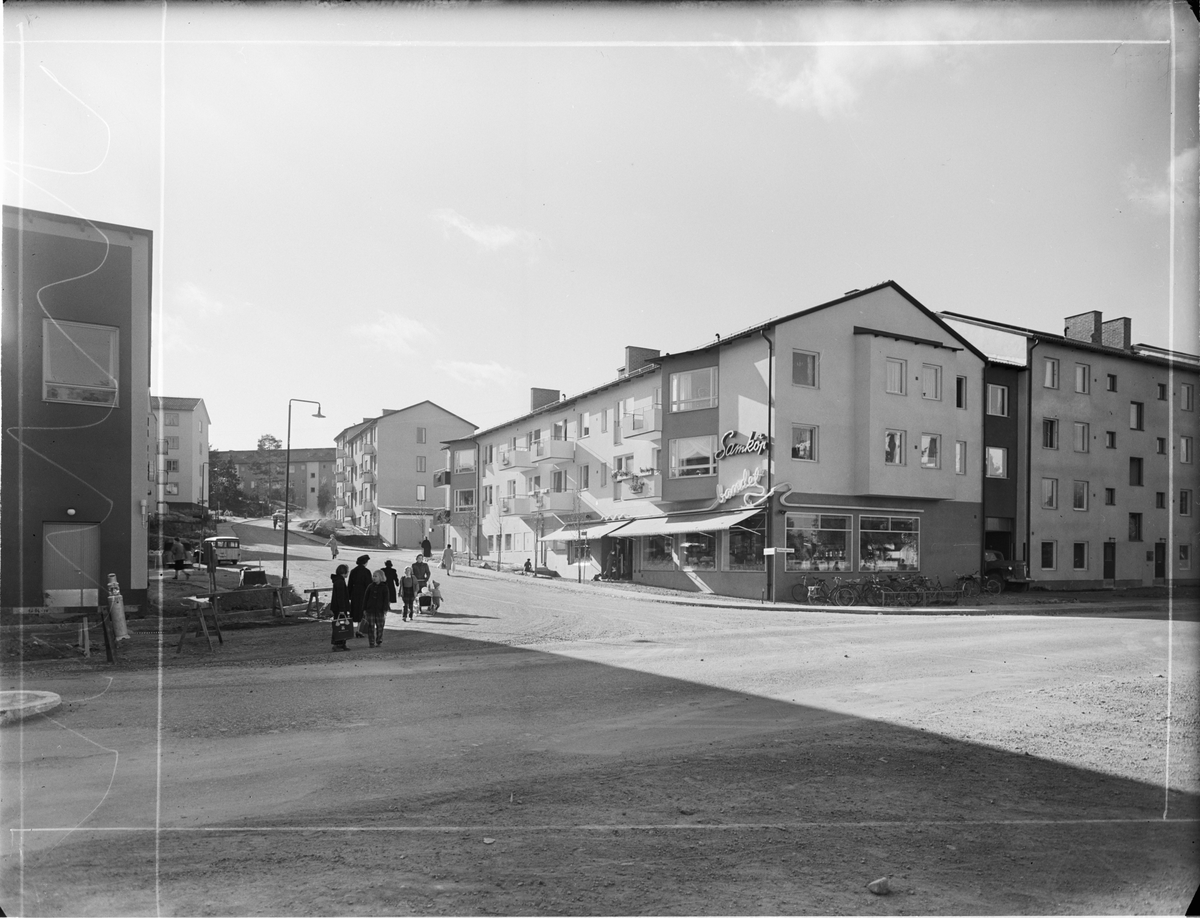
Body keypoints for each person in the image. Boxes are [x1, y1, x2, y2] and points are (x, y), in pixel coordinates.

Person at [347, 554, 372, 638]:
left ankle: (354, 630)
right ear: (365, 562)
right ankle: (359, 630)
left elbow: (350, 584)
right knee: (362, 611)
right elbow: (369, 585)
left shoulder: (353, 571)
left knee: (355, 611)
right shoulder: (366, 571)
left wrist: (349, 595)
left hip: (354, 593)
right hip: (363, 593)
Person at [362, 569, 389, 648]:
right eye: (373, 576)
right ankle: (371, 641)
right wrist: (364, 608)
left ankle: (379, 640)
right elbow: (366, 598)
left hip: (380, 610)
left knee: (380, 626)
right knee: (370, 626)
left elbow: (386, 599)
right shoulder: (370, 586)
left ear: (380, 577)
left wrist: (385, 609)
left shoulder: (384, 587)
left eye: (375, 576)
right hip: (370, 609)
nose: (373, 578)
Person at [329, 564, 350, 651]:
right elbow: (340, 597)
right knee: (340, 626)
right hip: (339, 608)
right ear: (344, 572)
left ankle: (342, 643)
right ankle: (337, 644)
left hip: (337, 607)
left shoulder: (338, 580)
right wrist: (342, 609)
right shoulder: (340, 582)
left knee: (341, 625)